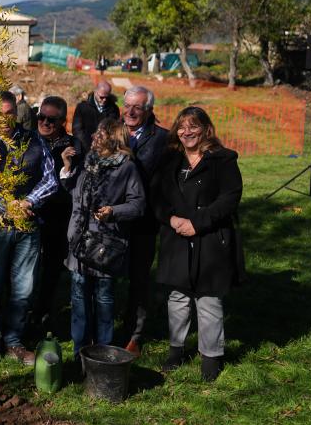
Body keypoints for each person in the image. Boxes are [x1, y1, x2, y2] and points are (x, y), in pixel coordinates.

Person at [0, 92, 57, 365]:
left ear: (16, 114)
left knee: (24, 288)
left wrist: (28, 201)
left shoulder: (34, 140)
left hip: (27, 226)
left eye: (9, 114)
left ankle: (14, 341)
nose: (4, 120)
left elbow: (50, 179)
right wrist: (8, 207)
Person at [154, 107, 244, 382]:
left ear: (206, 129)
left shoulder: (222, 159)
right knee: (178, 297)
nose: (187, 132)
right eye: (182, 127)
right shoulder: (169, 159)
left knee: (208, 298)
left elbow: (230, 198)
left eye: (193, 126)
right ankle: (176, 349)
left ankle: (211, 356)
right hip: (176, 238)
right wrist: (170, 219)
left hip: (210, 239)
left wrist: (198, 222)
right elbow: (155, 195)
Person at [61, 118, 145, 357]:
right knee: (78, 297)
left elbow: (138, 204)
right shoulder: (89, 162)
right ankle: (80, 351)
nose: (93, 138)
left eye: (99, 135)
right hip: (79, 242)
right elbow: (75, 194)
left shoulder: (126, 167)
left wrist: (113, 212)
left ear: (114, 139)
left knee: (104, 299)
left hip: (105, 245)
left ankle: (103, 351)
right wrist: (67, 167)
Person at [120, 86, 169, 355]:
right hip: (110, 220)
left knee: (139, 281)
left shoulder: (162, 139)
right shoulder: (110, 130)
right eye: (127, 105)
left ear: (149, 110)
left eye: (137, 107)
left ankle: (134, 335)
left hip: (143, 221)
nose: (130, 111)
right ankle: (103, 331)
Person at [33, 96, 84, 330]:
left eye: (51, 119)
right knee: (27, 268)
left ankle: (43, 311)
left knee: (52, 269)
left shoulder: (73, 147)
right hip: (31, 214)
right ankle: (25, 310)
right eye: (40, 117)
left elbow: (75, 188)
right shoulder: (29, 140)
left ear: (63, 120)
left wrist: (66, 167)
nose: (44, 122)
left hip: (57, 217)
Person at [72, 81, 120, 152]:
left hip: (106, 150)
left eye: (107, 97)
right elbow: (77, 130)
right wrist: (87, 147)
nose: (104, 100)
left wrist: (105, 146)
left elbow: (115, 130)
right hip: (85, 149)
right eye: (101, 97)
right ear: (95, 92)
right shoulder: (82, 107)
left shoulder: (114, 109)